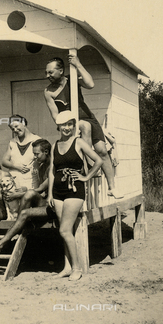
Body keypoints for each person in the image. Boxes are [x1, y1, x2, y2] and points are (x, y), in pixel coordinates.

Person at [44, 54, 123, 199]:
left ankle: (112, 188)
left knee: (102, 151)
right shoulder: (48, 91)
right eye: (46, 72)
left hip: (88, 117)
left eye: (50, 72)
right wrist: (67, 124)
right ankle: (89, 163)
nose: (47, 75)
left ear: (60, 71)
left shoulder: (72, 79)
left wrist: (78, 64)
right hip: (69, 122)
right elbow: (55, 116)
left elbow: (90, 84)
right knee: (84, 126)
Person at [46, 110, 103, 281]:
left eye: (70, 124)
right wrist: (49, 193)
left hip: (74, 190)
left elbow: (98, 160)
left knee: (64, 230)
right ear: (58, 126)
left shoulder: (78, 142)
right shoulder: (55, 145)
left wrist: (86, 177)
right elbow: (51, 171)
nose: (67, 128)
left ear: (73, 126)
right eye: (64, 124)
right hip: (57, 191)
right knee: (66, 231)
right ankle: (67, 266)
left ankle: (77, 268)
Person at [0, 139, 51, 255]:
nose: (35, 157)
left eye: (37, 154)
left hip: (50, 205)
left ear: (46, 152)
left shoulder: (52, 167)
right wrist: (23, 190)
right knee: (25, 207)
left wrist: (18, 194)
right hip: (41, 201)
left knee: (29, 195)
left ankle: (2, 242)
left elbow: (41, 188)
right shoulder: (41, 166)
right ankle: (9, 236)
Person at [1, 115, 41, 216]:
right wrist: (16, 165)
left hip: (30, 181)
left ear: (23, 123)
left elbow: (43, 159)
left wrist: (37, 165)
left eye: (16, 126)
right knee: (15, 210)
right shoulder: (12, 142)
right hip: (15, 183)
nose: (15, 129)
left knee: (28, 208)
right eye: (12, 128)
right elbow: (4, 161)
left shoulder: (37, 140)